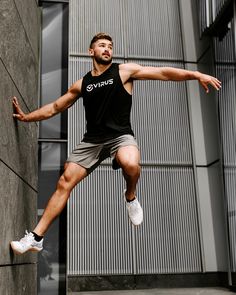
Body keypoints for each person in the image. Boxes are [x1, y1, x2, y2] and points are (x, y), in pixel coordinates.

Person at [10, 32, 221, 255]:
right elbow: (55, 107)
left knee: (130, 164)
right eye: (102, 45)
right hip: (92, 140)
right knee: (65, 181)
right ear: (91, 51)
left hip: (120, 136)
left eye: (110, 46)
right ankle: (36, 238)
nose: (107, 49)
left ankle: (130, 196)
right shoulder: (82, 84)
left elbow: (163, 73)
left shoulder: (124, 71)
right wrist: (27, 117)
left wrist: (196, 74)